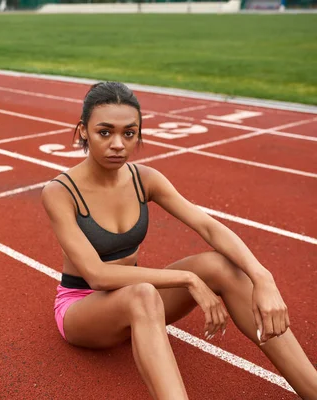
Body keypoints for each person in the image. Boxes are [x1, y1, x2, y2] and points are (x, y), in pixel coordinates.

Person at [40, 82, 317, 399]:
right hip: (83, 309)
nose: (118, 144)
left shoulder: (145, 179)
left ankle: (312, 387)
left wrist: (262, 277)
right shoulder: (60, 192)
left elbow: (208, 227)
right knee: (142, 294)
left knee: (219, 265)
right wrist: (188, 279)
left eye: (129, 133)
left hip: (134, 298)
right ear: (83, 131)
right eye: (105, 132)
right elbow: (98, 276)